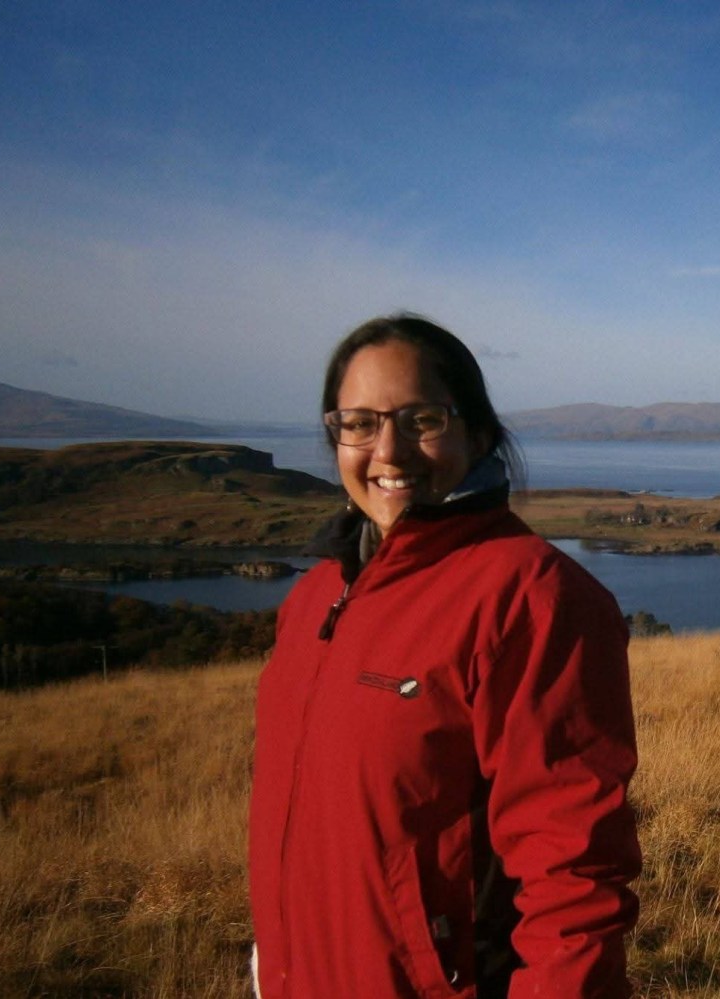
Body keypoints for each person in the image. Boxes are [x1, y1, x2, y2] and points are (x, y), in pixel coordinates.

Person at [249, 315, 641, 998]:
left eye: (421, 419)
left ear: (478, 433)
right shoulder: (316, 596)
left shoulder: (532, 596)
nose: (389, 450)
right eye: (359, 422)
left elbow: (571, 873)